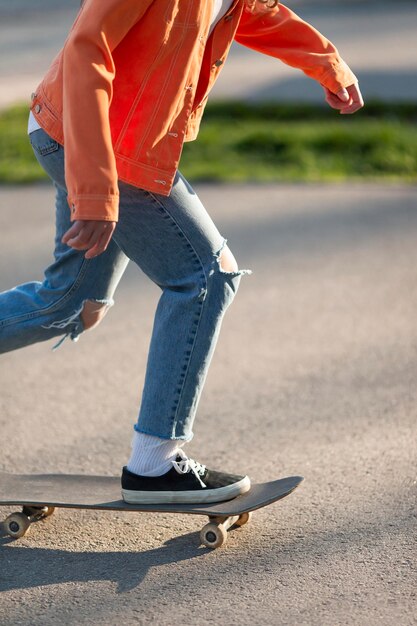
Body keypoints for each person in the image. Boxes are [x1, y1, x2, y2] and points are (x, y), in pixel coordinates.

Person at [0, 0, 364, 504]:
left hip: (105, 137)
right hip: (99, 140)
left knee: (69, 303)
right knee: (206, 275)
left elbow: (254, 9)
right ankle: (154, 464)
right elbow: (89, 48)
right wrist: (95, 189)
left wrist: (326, 61)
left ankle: (154, 462)